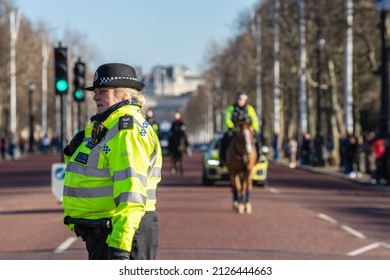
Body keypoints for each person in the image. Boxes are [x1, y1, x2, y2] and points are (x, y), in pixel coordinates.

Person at [62, 63, 162, 260]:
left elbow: (131, 194)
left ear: (123, 95)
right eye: (95, 91)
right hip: (106, 231)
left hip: (120, 233)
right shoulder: (108, 126)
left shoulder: (126, 131)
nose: (95, 96)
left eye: (103, 91)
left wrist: (120, 248)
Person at [219, 91, 260, 166]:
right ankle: (222, 160)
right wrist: (231, 127)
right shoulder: (231, 108)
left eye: (242, 99)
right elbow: (226, 119)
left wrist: (254, 129)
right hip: (234, 132)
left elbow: (255, 119)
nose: (240, 101)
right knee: (223, 141)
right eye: (239, 99)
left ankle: (259, 158)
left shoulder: (249, 109)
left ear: (245, 100)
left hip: (247, 131)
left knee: (258, 141)